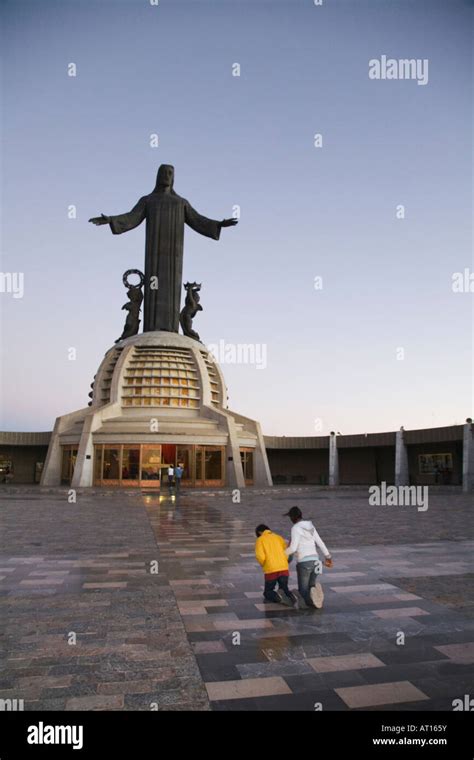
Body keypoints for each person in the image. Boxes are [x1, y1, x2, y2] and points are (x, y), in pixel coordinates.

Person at [284, 506, 333, 609]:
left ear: (293, 517)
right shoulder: (310, 526)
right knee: (311, 587)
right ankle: (316, 598)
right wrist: (328, 556)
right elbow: (320, 542)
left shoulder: (296, 528)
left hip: (304, 563)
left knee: (303, 591)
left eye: (290, 518)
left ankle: (312, 602)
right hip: (316, 561)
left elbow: (293, 548)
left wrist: (282, 554)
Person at [255, 524, 298, 608]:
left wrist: (264, 564)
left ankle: (278, 597)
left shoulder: (260, 540)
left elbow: (260, 556)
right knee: (284, 588)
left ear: (260, 532)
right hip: (284, 568)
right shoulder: (279, 537)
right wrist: (284, 561)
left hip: (271, 569)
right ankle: (291, 596)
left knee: (268, 592)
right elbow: (286, 552)